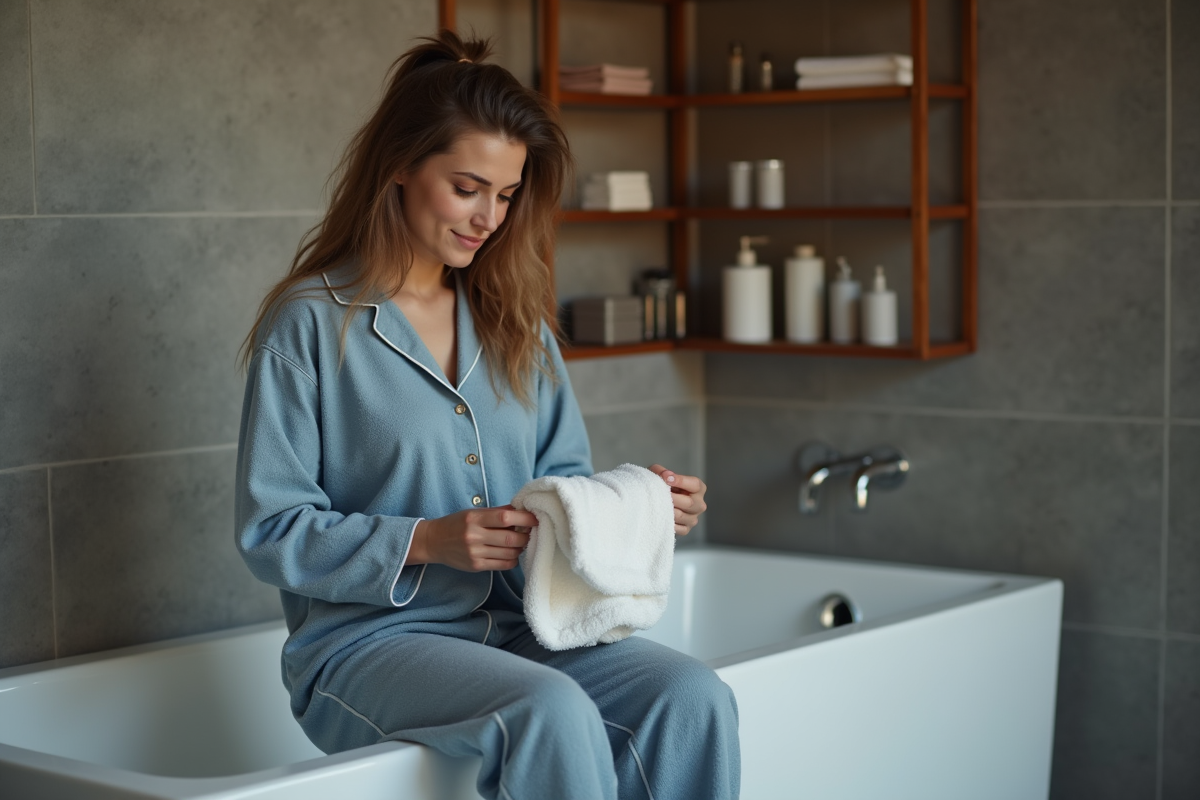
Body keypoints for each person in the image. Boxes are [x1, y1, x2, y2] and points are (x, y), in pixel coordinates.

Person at [234, 30, 740, 800]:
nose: (488, 218)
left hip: (520, 628)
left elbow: (563, 482)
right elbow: (270, 530)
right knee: (546, 710)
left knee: (694, 697)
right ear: (400, 165)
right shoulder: (309, 324)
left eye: (505, 196)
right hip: (368, 644)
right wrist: (427, 541)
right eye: (467, 187)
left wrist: (640, 505)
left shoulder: (516, 322)